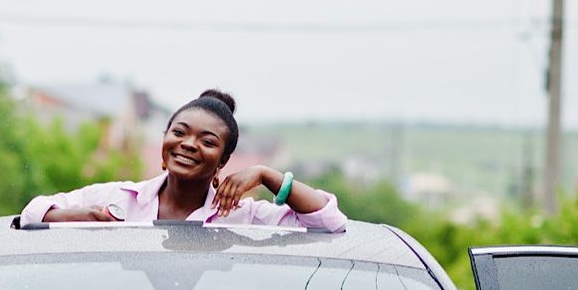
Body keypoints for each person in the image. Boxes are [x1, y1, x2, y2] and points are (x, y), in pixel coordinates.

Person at [19, 89, 347, 230]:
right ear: (165, 139)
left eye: (207, 141)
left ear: (223, 161)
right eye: (179, 132)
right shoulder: (118, 200)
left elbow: (330, 222)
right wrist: (82, 216)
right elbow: (30, 216)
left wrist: (266, 175)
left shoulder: (242, 217)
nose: (189, 144)